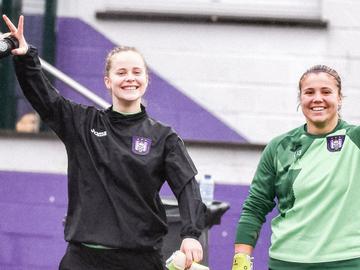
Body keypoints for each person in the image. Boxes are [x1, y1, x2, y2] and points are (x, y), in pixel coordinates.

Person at [2, 14, 207, 270]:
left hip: (140, 259)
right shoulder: (82, 124)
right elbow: (45, 98)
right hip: (83, 259)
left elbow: (187, 186)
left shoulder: (164, 137)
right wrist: (25, 57)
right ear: (108, 81)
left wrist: (190, 233)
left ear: (146, 81)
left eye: (136, 72)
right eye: (121, 72)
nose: (129, 78)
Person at [232, 64, 360, 270]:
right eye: (309, 92)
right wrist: (241, 259)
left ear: (339, 98)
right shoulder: (278, 147)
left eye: (326, 92)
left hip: (346, 263)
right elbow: (255, 206)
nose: (317, 98)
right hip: (286, 263)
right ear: (301, 99)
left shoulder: (355, 139)